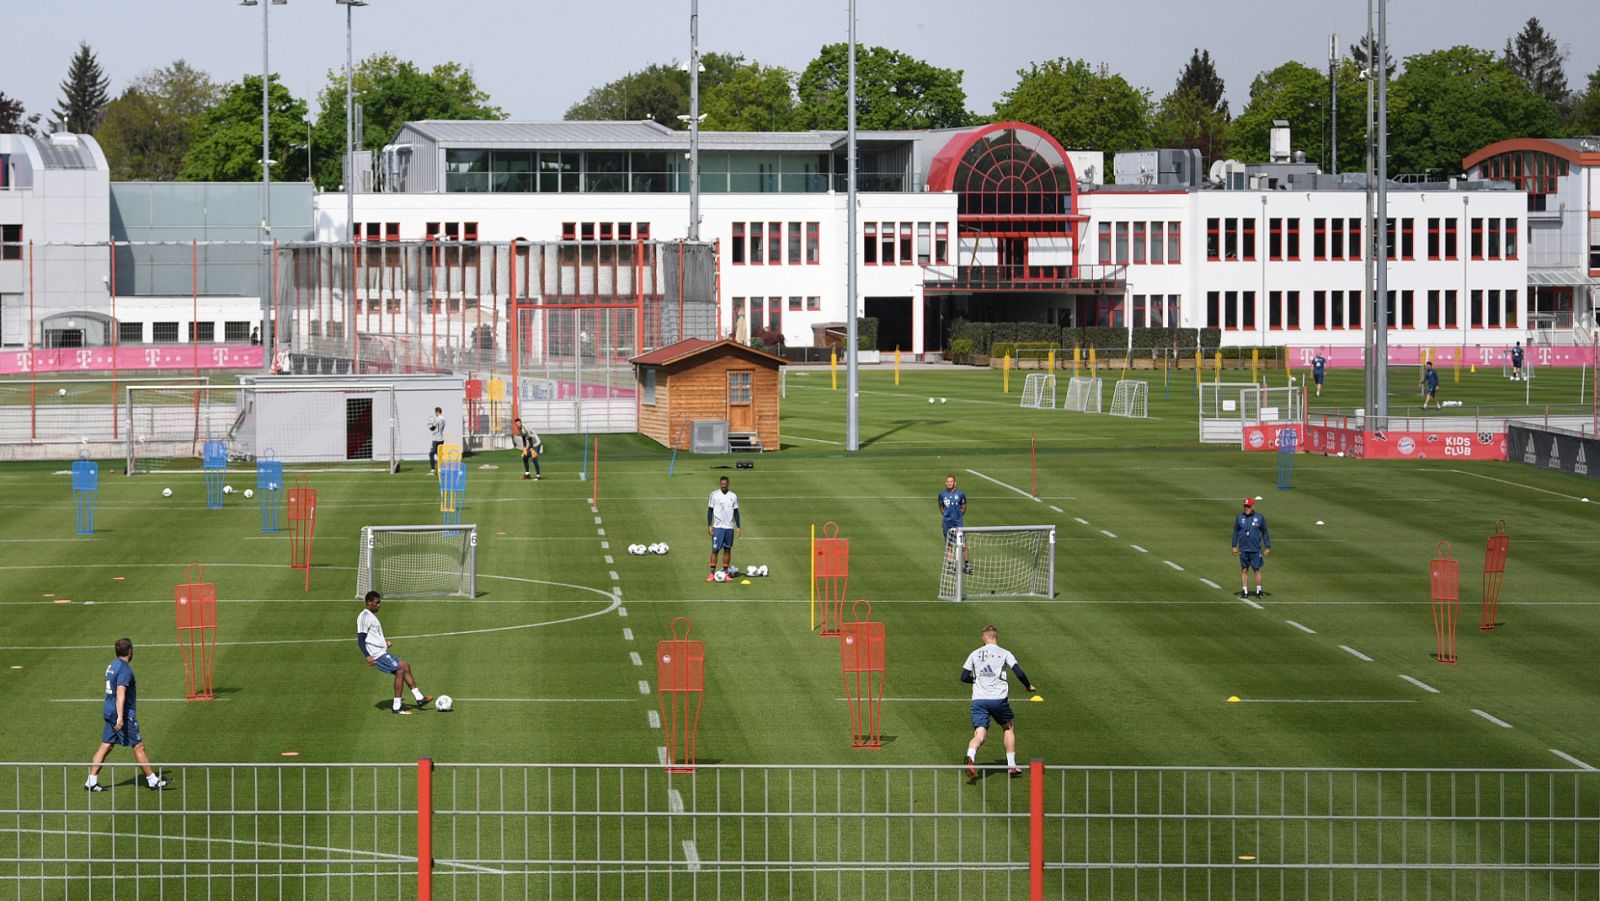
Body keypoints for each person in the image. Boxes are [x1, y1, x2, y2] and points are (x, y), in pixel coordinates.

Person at [85, 638, 171, 792]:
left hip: (109, 710)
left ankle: (91, 781)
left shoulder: (112, 665)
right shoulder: (124, 669)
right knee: (138, 746)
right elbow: (120, 693)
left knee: (106, 745)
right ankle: (153, 781)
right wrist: (120, 717)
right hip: (122, 713)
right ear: (130, 651)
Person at [960, 625, 1036, 780]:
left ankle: (970, 756)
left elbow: (963, 677)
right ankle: (1012, 766)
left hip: (979, 700)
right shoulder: (1005, 653)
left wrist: (976, 679)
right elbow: (1019, 672)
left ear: (985, 637)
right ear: (996, 636)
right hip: (998, 700)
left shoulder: (974, 653)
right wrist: (1028, 686)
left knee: (980, 734)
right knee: (1008, 728)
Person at [357, 592, 432, 713]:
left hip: (381, 650)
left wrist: (384, 643)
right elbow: (360, 639)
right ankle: (396, 707)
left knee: (405, 666)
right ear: (369, 603)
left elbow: (372, 636)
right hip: (377, 655)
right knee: (400, 670)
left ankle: (419, 698)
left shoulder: (370, 615)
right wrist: (368, 656)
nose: (379, 605)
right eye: (377, 603)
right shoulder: (364, 617)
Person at [1231, 498, 1272, 598]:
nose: (1246, 508)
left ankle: (1259, 590)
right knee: (1244, 569)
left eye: (1248, 506)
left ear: (1253, 506)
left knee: (1256, 569)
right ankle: (1245, 590)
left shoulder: (1259, 517)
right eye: (1245, 506)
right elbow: (1235, 532)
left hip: (1255, 549)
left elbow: (1265, 532)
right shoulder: (1239, 517)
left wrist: (1267, 547)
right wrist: (1234, 545)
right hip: (1244, 549)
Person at [706, 476, 741, 582]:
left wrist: (738, 526)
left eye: (725, 485)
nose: (723, 486)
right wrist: (709, 525)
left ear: (728, 484)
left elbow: (736, 512)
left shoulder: (733, 496)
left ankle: (725, 572)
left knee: (727, 549)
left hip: (729, 528)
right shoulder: (714, 495)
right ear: (720, 484)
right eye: (722, 485)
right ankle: (712, 573)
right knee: (715, 550)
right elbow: (710, 510)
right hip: (718, 527)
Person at [938, 475, 971, 575]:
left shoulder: (960, 494)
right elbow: (941, 507)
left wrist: (958, 517)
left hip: (958, 525)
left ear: (955, 483)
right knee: (949, 545)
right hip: (947, 524)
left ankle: (967, 565)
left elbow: (964, 507)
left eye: (951, 481)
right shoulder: (942, 494)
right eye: (947, 481)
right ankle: (950, 566)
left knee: (963, 545)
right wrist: (946, 515)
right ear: (945, 483)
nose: (949, 483)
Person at [427, 407, 446, 474]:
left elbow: (433, 428)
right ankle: (443, 469)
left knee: (431, 454)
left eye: (435, 412)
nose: (435, 414)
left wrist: (429, 425)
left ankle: (432, 470)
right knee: (439, 455)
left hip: (436, 439)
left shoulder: (437, 419)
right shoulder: (444, 419)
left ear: (437, 412)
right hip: (441, 438)